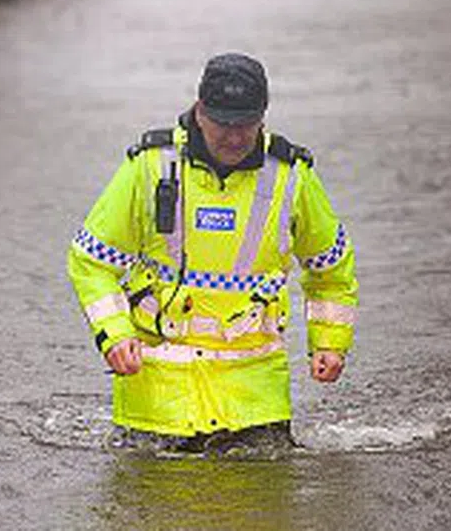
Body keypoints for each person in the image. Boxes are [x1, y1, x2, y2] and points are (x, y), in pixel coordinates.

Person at [66, 52, 358, 455]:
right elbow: (91, 261)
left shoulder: (291, 177)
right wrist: (114, 335)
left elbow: (330, 268)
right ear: (200, 110)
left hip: (254, 405)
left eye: (247, 124)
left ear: (264, 116)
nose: (235, 137)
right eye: (224, 123)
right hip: (155, 405)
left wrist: (329, 343)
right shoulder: (149, 168)